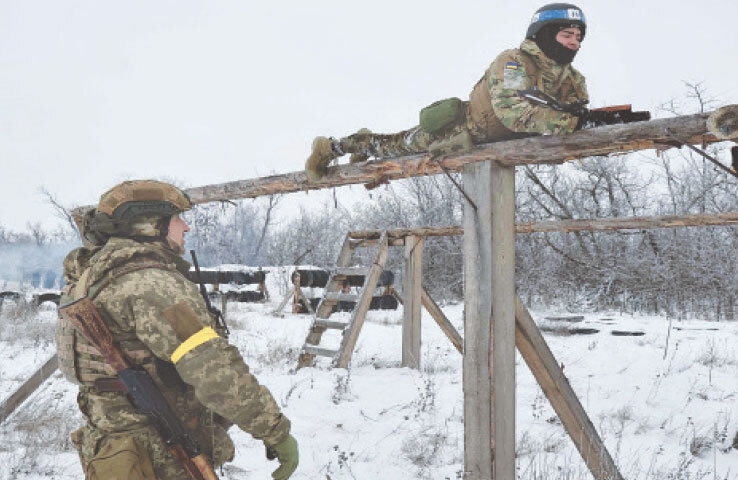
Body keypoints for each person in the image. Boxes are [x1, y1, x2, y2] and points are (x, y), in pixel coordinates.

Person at [56, 180, 298, 480]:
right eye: (176, 219)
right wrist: (275, 431)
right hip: (161, 455)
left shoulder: (89, 278)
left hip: (115, 450)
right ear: (149, 225)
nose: (186, 227)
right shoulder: (152, 285)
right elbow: (214, 370)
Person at [305, 3, 590, 182]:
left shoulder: (572, 79)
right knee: (394, 146)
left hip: (490, 143)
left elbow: (575, 120)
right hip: (457, 130)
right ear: (542, 34)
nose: (574, 43)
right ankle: (334, 147)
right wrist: (569, 122)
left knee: (394, 150)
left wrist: (584, 120)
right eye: (566, 35)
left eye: (578, 37)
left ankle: (368, 150)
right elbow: (513, 114)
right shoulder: (515, 61)